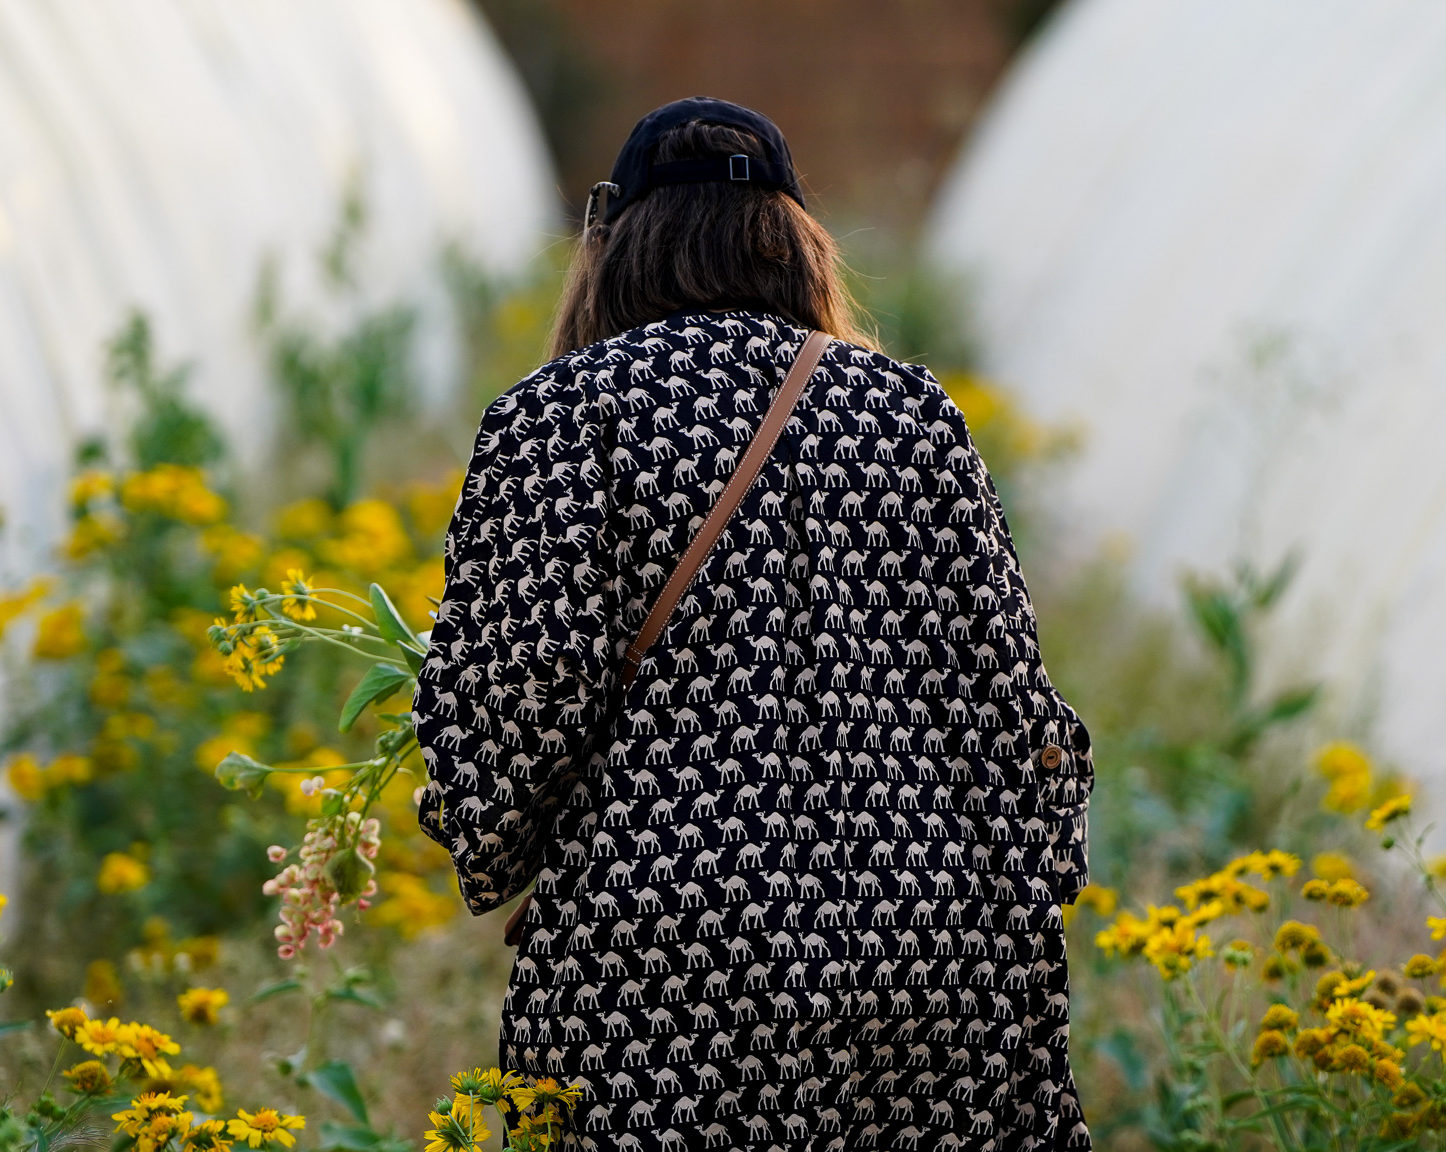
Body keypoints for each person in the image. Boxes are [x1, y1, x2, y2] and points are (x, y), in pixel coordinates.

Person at [414, 96, 1093, 1152]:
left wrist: (475, 828)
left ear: (613, 246)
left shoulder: (557, 417)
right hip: (933, 974)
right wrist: (1009, 895)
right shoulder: (911, 413)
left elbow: (511, 710)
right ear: (795, 244)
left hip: (663, 989)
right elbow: (1017, 714)